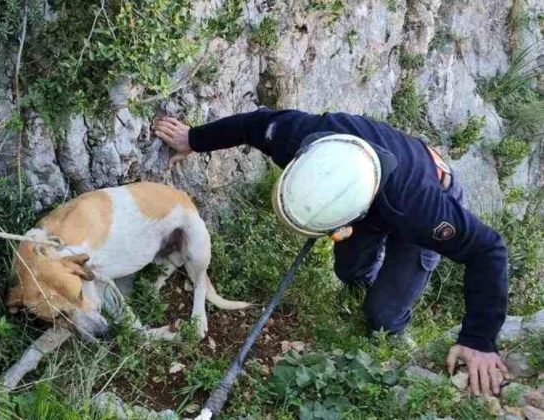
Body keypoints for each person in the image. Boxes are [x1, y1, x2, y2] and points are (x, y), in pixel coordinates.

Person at [153, 108, 509, 396]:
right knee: (349, 272)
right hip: (369, 197)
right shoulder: (299, 135)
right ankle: (369, 281)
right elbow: (252, 124)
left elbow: (488, 250)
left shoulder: (424, 211)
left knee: (381, 315)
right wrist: (194, 139)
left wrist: (478, 339)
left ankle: (396, 334)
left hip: (418, 200)